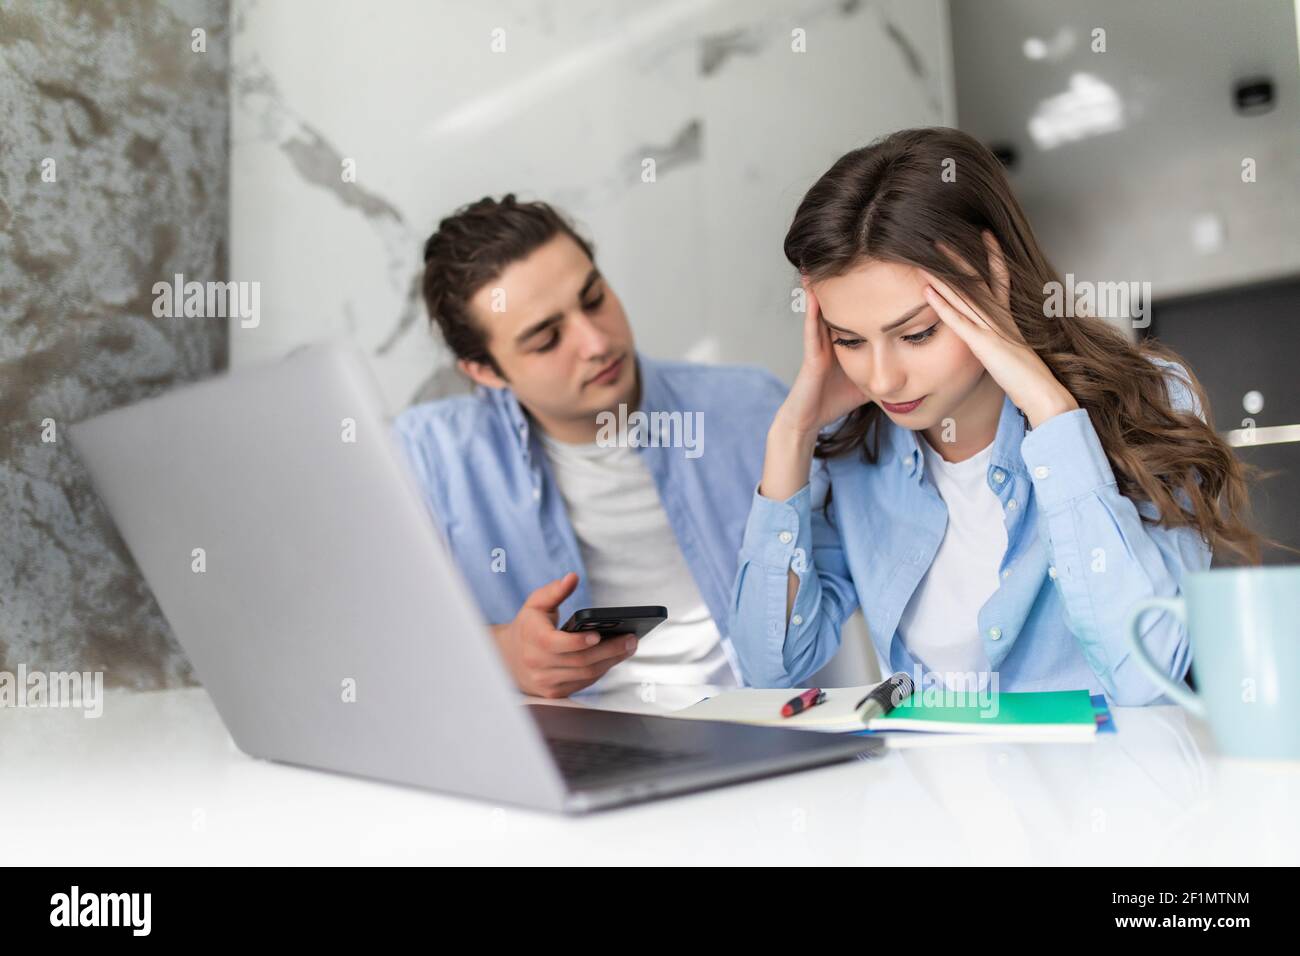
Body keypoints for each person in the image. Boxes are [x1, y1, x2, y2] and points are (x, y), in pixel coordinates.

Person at [730, 127, 1258, 705]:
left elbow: (1147, 672)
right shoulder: (856, 450)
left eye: (917, 333)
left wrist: (1054, 416)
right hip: (924, 789)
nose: (882, 380)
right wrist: (792, 436)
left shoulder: (1148, 399)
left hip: (1108, 790)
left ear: (991, 277)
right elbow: (770, 670)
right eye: (849, 340)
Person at [395, 195, 785, 699]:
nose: (595, 343)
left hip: (753, 727)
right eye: (546, 339)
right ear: (484, 371)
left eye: (594, 298)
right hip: (558, 750)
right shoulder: (430, 455)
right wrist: (499, 654)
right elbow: (364, 631)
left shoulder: (751, 409)